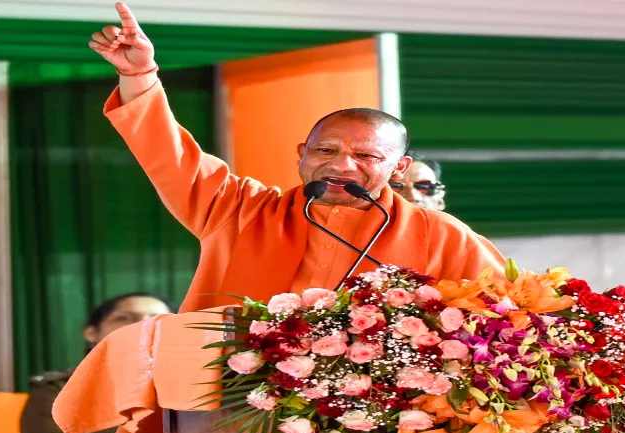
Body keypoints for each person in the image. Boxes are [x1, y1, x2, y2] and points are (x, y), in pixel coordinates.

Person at [88, 3, 506, 313]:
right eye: (326, 150)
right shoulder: (239, 211)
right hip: (235, 412)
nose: (342, 166)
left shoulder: (439, 235)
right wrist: (138, 77)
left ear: (398, 168)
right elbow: (168, 154)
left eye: (364, 155)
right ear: (301, 155)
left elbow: (509, 314)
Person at [20, 292, 173, 433]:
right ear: (92, 333)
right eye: (124, 318)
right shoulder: (57, 389)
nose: (143, 325)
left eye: (156, 319)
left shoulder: (194, 387)